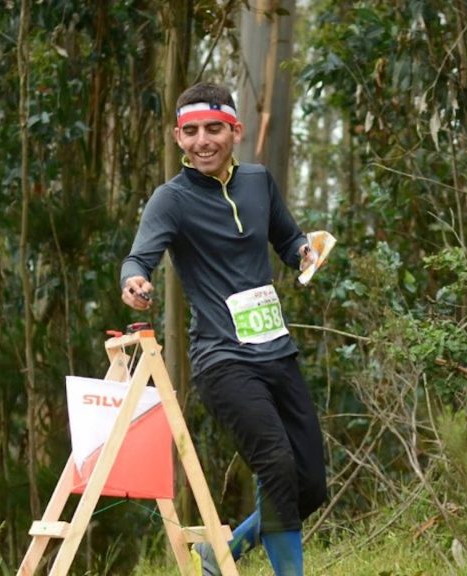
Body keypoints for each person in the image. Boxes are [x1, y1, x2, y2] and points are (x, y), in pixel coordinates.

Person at [120, 82, 327, 576]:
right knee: (276, 466)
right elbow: (138, 258)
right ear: (178, 137)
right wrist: (135, 282)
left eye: (214, 128)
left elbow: (288, 239)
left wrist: (304, 251)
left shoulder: (258, 182)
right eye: (191, 132)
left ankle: (224, 551)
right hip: (222, 359)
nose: (203, 141)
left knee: (310, 486)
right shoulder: (170, 200)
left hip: (277, 353)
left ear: (236, 131)